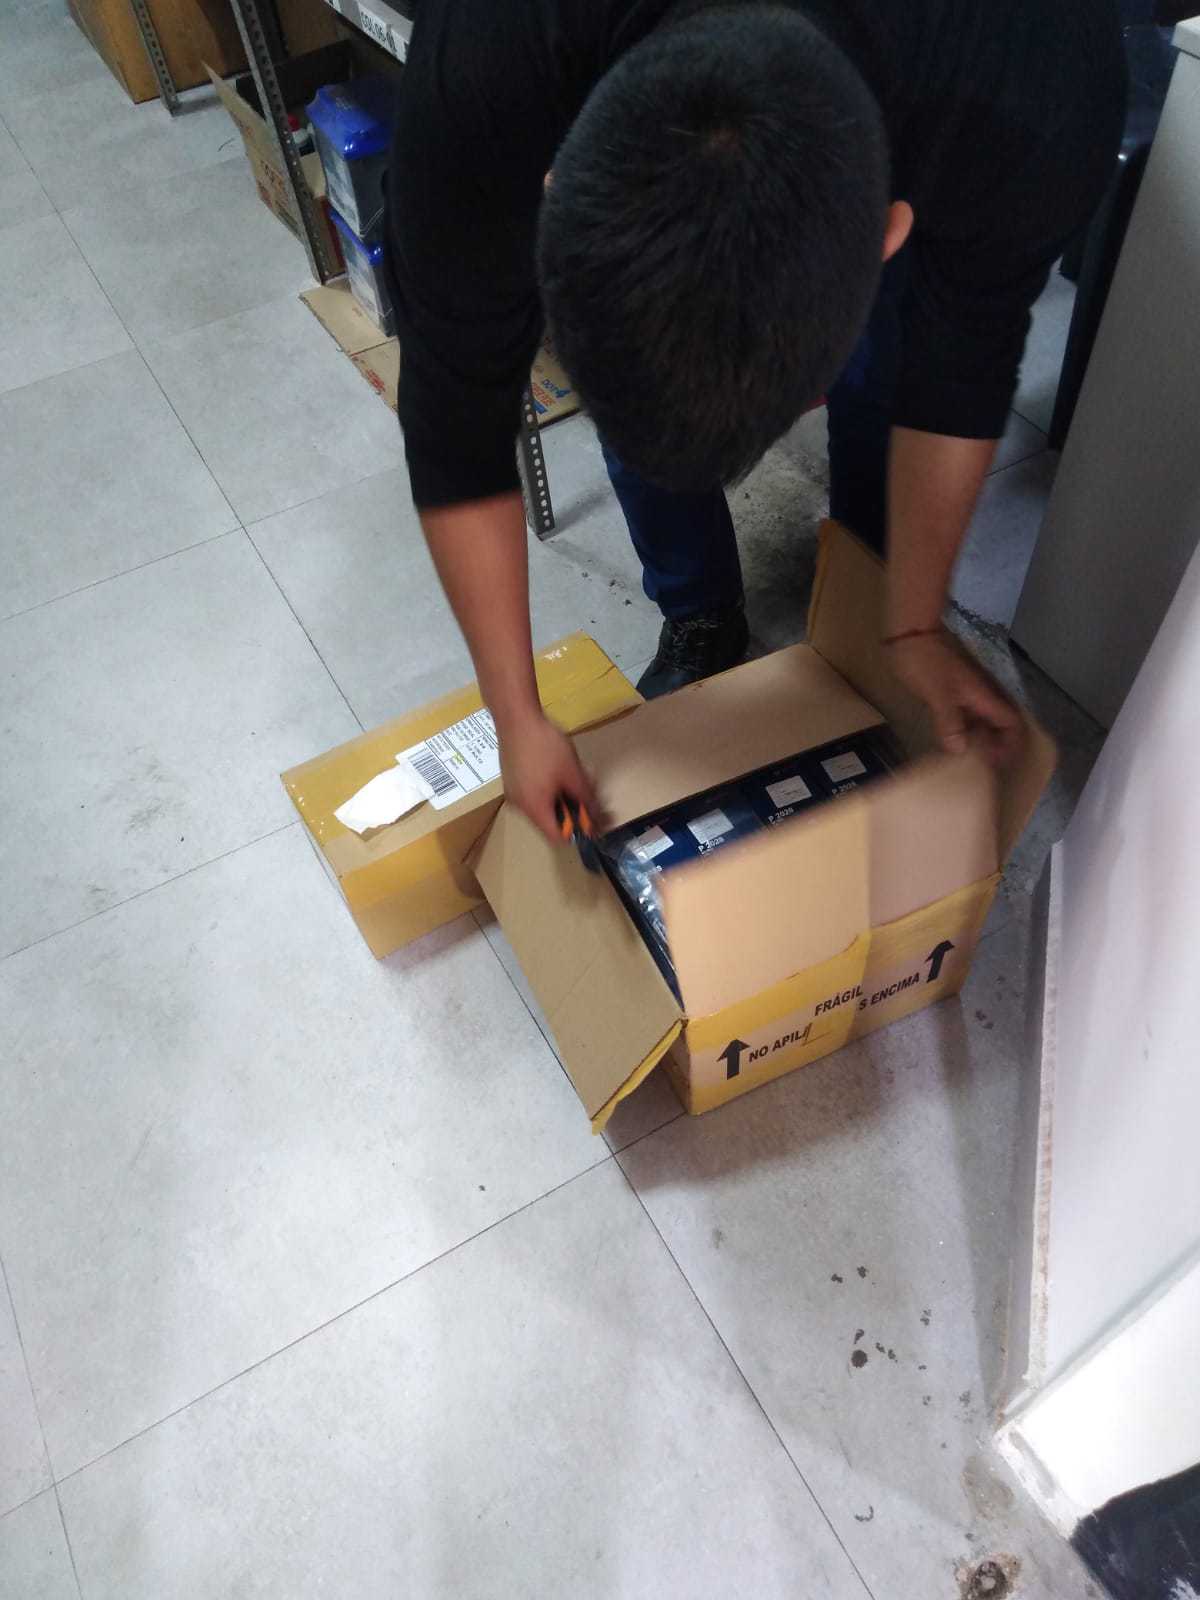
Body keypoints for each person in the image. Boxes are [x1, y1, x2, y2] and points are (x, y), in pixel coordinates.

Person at [384, 0, 1125, 843]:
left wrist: (913, 620)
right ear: (554, 190)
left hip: (948, 93)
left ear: (891, 234)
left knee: (886, 378)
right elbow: (453, 414)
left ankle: (862, 590)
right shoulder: (488, 61)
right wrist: (515, 715)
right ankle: (700, 610)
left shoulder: (1038, 84)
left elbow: (963, 358)